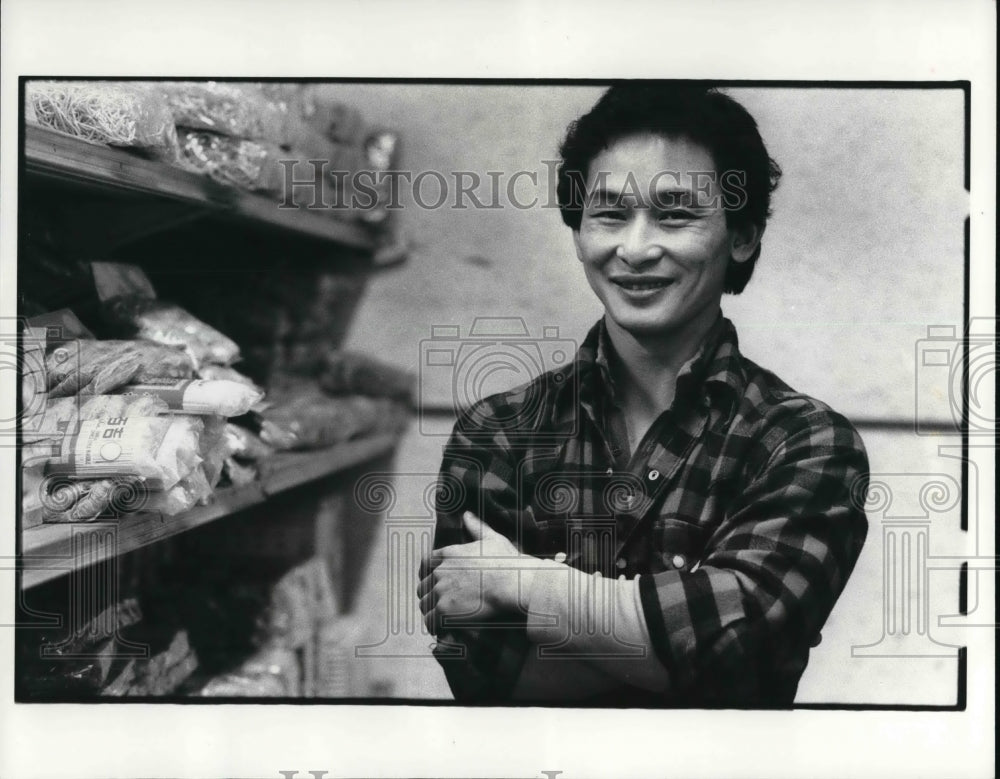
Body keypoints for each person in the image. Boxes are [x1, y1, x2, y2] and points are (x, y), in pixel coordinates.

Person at [417, 84, 869, 707]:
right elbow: (487, 677)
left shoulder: (805, 442)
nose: (634, 249)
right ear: (577, 230)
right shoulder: (498, 432)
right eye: (608, 213)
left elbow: (737, 657)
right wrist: (676, 645)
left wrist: (518, 582)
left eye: (675, 213)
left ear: (741, 235)